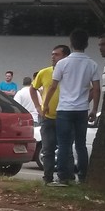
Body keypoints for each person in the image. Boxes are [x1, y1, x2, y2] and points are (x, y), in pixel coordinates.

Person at [42, 30, 101, 186]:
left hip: (65, 109)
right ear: (87, 44)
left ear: (71, 43)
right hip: (82, 109)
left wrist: (45, 104)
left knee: (63, 144)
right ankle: (83, 177)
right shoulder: (92, 64)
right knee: (81, 145)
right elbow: (96, 89)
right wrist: (94, 109)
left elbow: (53, 86)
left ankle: (63, 177)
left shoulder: (63, 63)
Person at [32, 45, 69, 184]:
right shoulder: (44, 72)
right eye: (52, 54)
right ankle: (47, 177)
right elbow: (33, 88)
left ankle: (64, 178)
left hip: (64, 115)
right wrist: (38, 106)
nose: (53, 57)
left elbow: (90, 89)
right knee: (48, 148)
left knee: (65, 149)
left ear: (66, 57)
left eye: (57, 54)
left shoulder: (70, 73)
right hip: (47, 117)